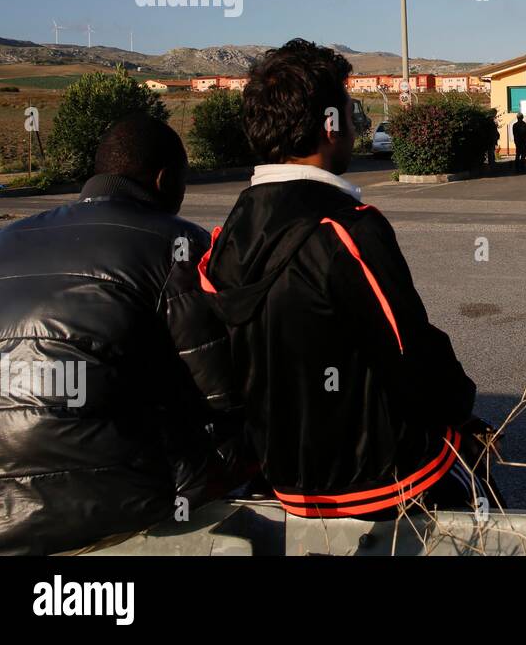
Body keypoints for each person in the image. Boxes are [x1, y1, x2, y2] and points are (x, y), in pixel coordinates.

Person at [200, 39, 495, 519]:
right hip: (381, 476)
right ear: (328, 127)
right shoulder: (347, 227)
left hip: (281, 477)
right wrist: (462, 411)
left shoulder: (229, 232)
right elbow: (409, 348)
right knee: (488, 507)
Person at [0, 114, 242, 554]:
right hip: (111, 500)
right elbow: (223, 389)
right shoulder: (178, 243)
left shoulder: (7, 238)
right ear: (164, 180)